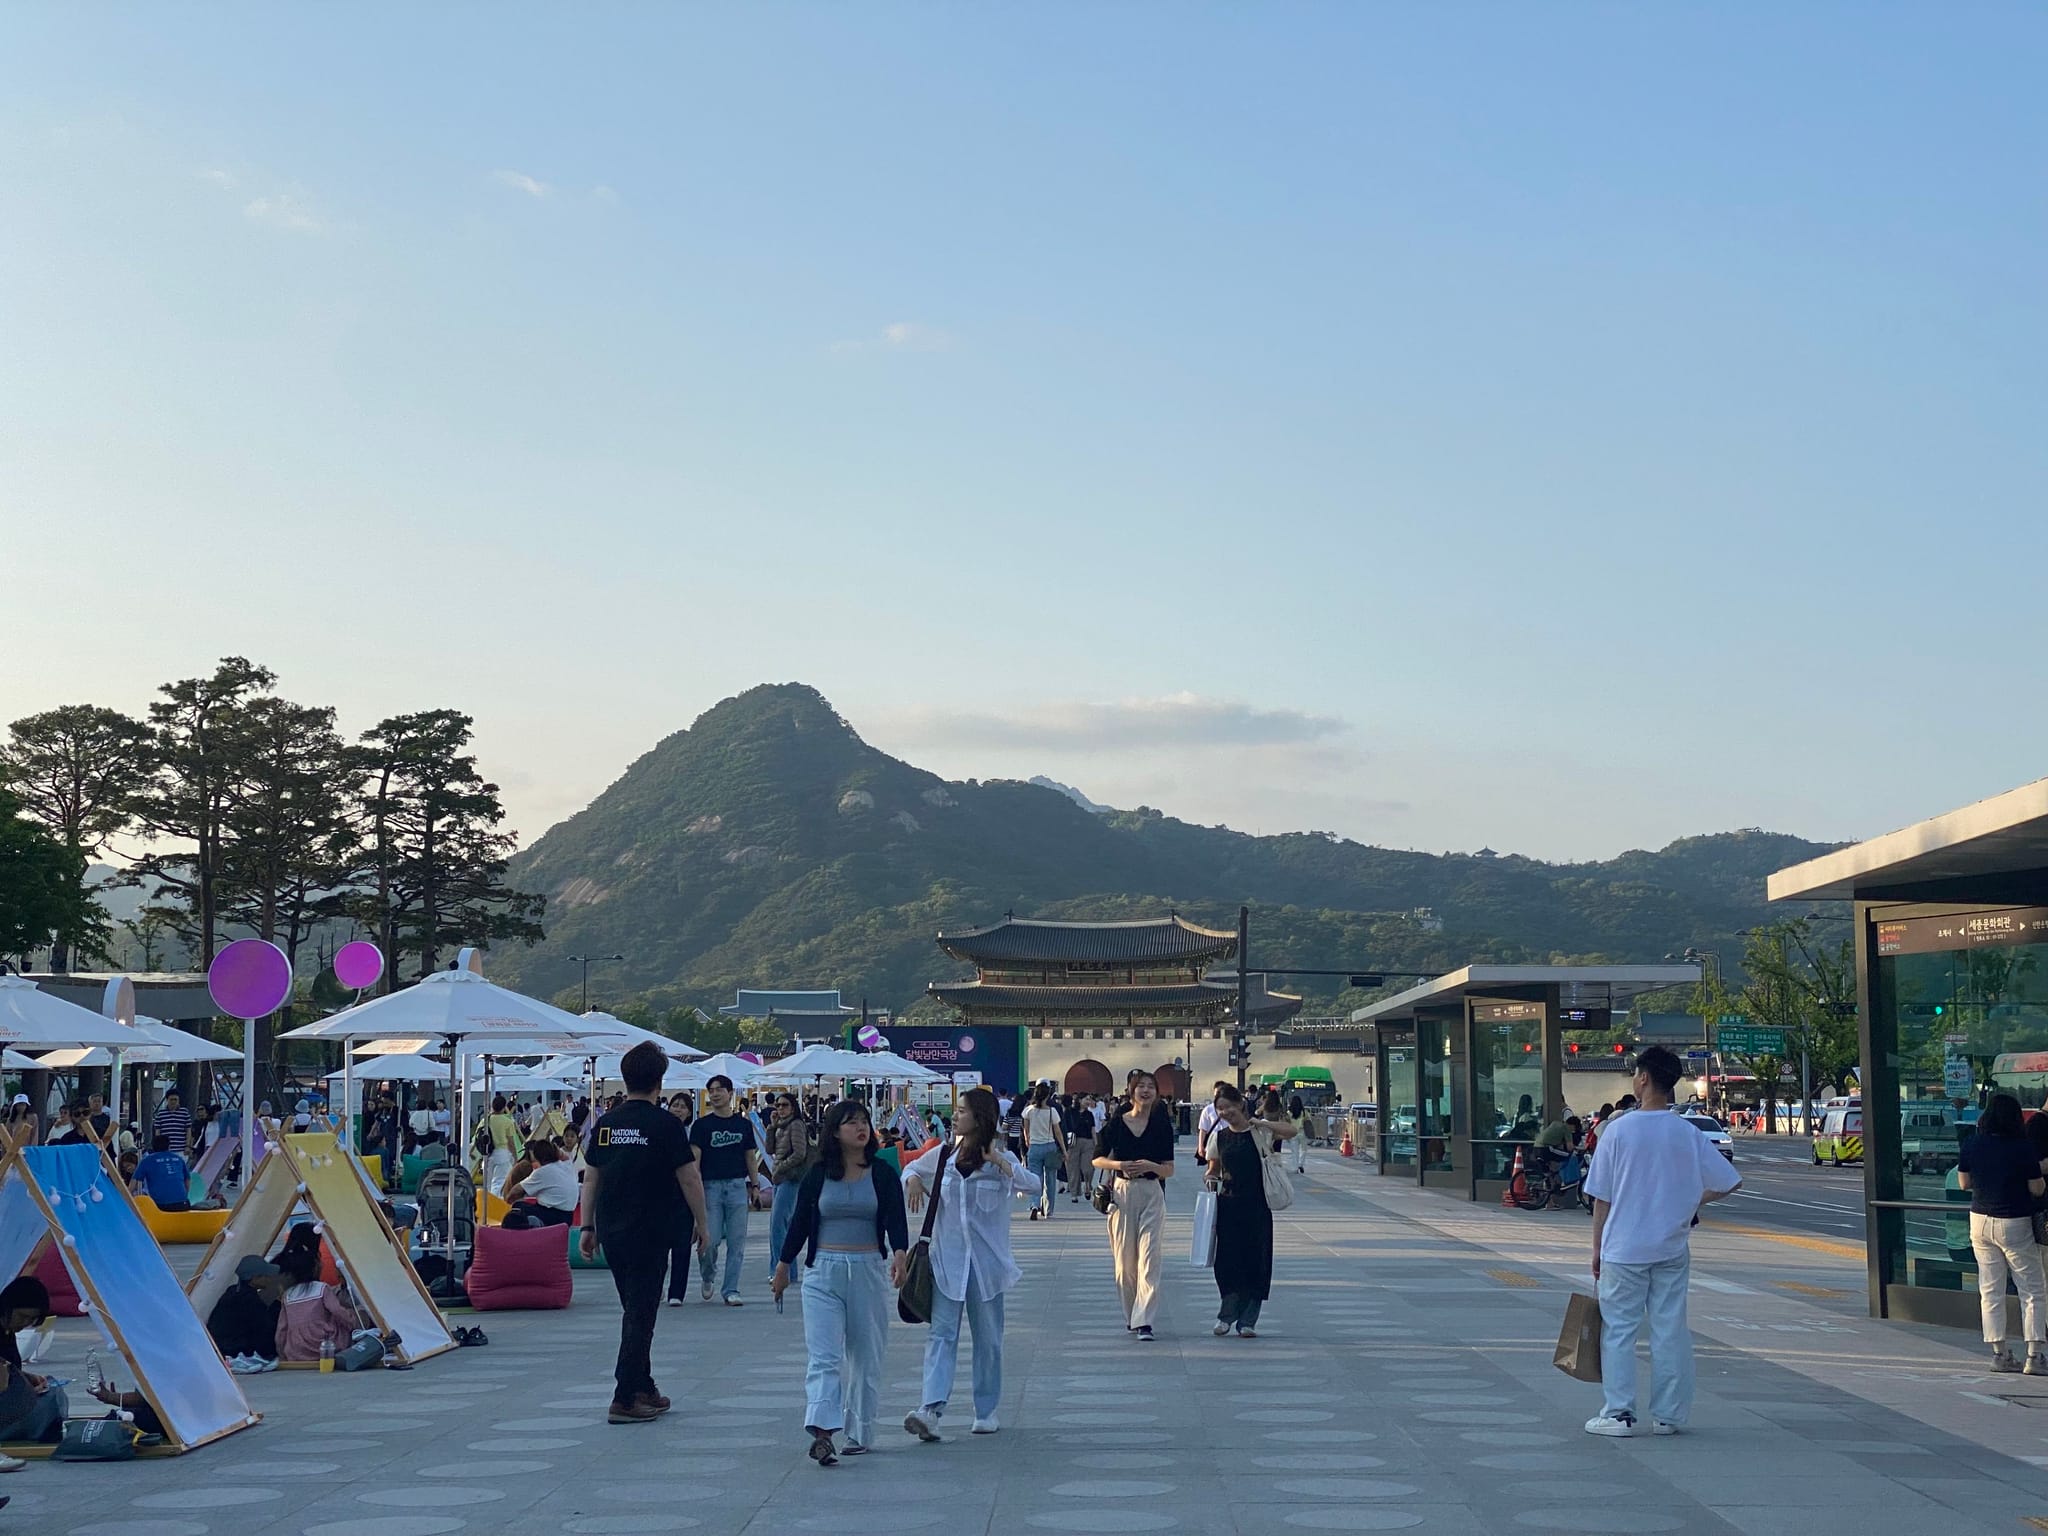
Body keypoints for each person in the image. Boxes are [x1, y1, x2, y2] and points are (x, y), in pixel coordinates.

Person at [1583, 1045, 1741, 1437]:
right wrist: (1687, 1203)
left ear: (1644, 1079)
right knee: (1669, 1328)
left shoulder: (1618, 1130)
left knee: (1619, 1329)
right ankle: (1669, 1415)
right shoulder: (1687, 1132)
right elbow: (1727, 1181)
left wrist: (1596, 1248)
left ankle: (1619, 1413)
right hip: (1671, 1246)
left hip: (1623, 1248)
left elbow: (1601, 1197)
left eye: (1637, 1074)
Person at [773, 1099, 910, 1467]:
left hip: (867, 1267)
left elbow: (896, 1218)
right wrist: (783, 1266)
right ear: (835, 1131)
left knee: (866, 1354)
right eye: (851, 1123)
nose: (860, 1128)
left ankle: (859, 1430)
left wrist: (900, 1253)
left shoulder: (881, 1173)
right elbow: (800, 1221)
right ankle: (821, 1429)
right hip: (824, 1271)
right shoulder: (819, 1174)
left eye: (864, 1122)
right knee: (824, 1355)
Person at [899, 1086, 1037, 1444]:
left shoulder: (1001, 1159)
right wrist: (913, 1180)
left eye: (962, 1111)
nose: (955, 1116)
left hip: (987, 1266)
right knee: (941, 1335)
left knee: (988, 1339)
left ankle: (986, 1409)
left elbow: (1032, 1185)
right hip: (948, 1261)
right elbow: (911, 1167)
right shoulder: (943, 1155)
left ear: (979, 1118)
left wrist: (1000, 1163)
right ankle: (931, 1409)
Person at [582, 1041, 710, 1424]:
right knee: (640, 1312)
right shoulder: (667, 1125)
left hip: (612, 1226)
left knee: (635, 1308)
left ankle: (643, 1385)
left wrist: (587, 1225)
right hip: (653, 1229)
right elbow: (689, 1177)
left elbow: (592, 1175)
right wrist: (702, 1223)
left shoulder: (607, 1124)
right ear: (660, 1081)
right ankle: (624, 1396)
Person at [1958, 1092, 2048, 1374]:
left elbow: (1964, 1183)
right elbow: (2037, 1188)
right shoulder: (2021, 1147)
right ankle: (2034, 1355)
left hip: (1979, 1220)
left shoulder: (1972, 1143)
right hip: (2014, 1221)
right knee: (2032, 1289)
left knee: (1990, 1288)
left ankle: (2000, 1353)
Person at [1204, 1084, 1296, 1338]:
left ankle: (1248, 1320)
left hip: (1257, 1206)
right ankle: (1226, 1313)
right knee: (1227, 1263)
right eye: (1219, 1108)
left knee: (1256, 1262)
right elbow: (1213, 1167)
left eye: (1228, 1107)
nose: (1224, 1112)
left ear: (1241, 1105)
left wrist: (1263, 1123)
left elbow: (1291, 1131)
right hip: (1228, 1205)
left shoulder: (1259, 1132)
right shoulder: (1219, 1137)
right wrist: (1210, 1176)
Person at [1093, 1068, 1175, 1342]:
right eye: (1141, 1086)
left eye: (1151, 1086)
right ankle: (1132, 1315)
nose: (1146, 1090)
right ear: (1131, 1091)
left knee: (1150, 1259)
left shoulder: (1161, 1125)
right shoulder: (1117, 1124)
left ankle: (1144, 1321)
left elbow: (1169, 1169)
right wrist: (1119, 1165)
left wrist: (1151, 1166)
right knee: (1125, 1263)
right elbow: (1097, 1159)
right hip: (1122, 1193)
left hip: (1152, 1192)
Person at [691, 1074, 760, 1305]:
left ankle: (731, 1289)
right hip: (710, 1187)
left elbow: (750, 1157)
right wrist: (695, 1189)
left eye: (720, 1089)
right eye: (711, 1090)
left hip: (737, 1186)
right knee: (708, 1241)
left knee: (737, 1242)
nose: (715, 1094)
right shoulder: (701, 1126)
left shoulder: (743, 1125)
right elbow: (695, 1162)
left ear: (730, 1093)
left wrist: (755, 1184)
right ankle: (708, 1275)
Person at [0, 1277, 65, 1459]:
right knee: (49, 1403)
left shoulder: (8, 1332)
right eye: (22, 1316)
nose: (25, 1323)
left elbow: (9, 1367)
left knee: (53, 1391)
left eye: (31, 1319)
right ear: (7, 1308)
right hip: (6, 1410)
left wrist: (25, 1377)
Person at [765, 1093, 818, 1286]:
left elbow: (800, 1153)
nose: (780, 1108)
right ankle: (788, 1271)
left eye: (785, 1105)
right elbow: (769, 1149)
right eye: (778, 1105)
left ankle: (779, 1270)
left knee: (778, 1226)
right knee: (781, 1227)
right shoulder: (780, 1125)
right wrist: (771, 1126)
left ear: (793, 1107)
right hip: (779, 1179)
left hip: (790, 1178)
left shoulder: (796, 1125)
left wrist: (781, 1167)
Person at [274, 1243, 357, 1363]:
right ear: (315, 1268)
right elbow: (337, 1311)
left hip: (297, 1350)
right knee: (346, 1314)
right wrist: (352, 1322)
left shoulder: (288, 1295)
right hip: (323, 1345)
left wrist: (282, 1352)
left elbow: (282, 1329)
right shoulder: (322, 1288)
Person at [207, 1255, 284, 1362]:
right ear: (255, 1278)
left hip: (220, 1346)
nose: (270, 1278)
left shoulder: (232, 1292)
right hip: (237, 1350)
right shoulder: (250, 1300)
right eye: (266, 1276)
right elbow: (264, 1330)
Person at [505, 1138, 580, 1227]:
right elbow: (563, 1155)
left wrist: (508, 1200)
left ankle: (535, 1224)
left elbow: (517, 1190)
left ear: (536, 1157)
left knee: (518, 1206)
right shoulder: (567, 1164)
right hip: (569, 1217)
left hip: (553, 1216)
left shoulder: (543, 1171)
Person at [1021, 1082, 1065, 1221]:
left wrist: (1028, 1141)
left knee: (1035, 1178)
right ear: (1048, 1095)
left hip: (1034, 1147)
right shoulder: (1052, 1111)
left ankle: (1034, 1204)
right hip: (1050, 1146)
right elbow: (1057, 1132)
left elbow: (1025, 1129)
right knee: (1050, 1179)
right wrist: (1064, 1149)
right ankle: (1048, 1209)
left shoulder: (1029, 1110)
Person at [134, 1133, 193, 1211]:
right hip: (182, 1204)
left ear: (153, 1146)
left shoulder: (147, 1160)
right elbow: (187, 1180)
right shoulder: (179, 1159)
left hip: (161, 1205)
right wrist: (184, 1196)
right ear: (169, 1146)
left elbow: (134, 1181)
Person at [479, 1094, 524, 1194]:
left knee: (487, 1182)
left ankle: (486, 1203)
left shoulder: (485, 1120)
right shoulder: (507, 1122)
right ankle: (496, 1203)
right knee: (500, 1181)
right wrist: (515, 1157)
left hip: (487, 1153)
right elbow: (511, 1142)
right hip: (502, 1153)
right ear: (504, 1107)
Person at [1061, 1092, 1097, 1204]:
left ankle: (1087, 1185)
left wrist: (1096, 1144)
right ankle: (1074, 1193)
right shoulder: (1069, 1112)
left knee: (1088, 1167)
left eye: (1089, 1099)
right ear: (1080, 1100)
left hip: (1088, 1142)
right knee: (1072, 1168)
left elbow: (1092, 1130)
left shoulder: (1089, 1114)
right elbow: (1063, 1127)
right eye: (1086, 1099)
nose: (1088, 1102)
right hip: (1073, 1143)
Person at [1195, 1082, 1229, 1162]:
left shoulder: (1231, 1109)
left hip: (1228, 1141)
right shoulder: (1208, 1109)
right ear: (1214, 1093)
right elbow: (1203, 1129)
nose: (1219, 1094)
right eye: (1217, 1092)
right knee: (1212, 1167)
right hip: (1213, 1142)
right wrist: (1200, 1146)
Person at [154, 1090, 192, 1155]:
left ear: (178, 1100)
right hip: (165, 1150)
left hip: (181, 1150)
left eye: (175, 1099)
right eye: (171, 1099)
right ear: (167, 1100)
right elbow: (158, 1132)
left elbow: (188, 1130)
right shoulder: (160, 1113)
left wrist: (187, 1146)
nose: (173, 1102)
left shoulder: (184, 1112)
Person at [1288, 1093, 1312, 1174]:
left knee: (1294, 1152)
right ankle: (1300, 1164)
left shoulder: (1289, 1113)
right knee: (1304, 1150)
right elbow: (1309, 1121)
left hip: (1292, 1133)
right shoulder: (1304, 1112)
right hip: (1302, 1132)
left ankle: (1295, 1168)